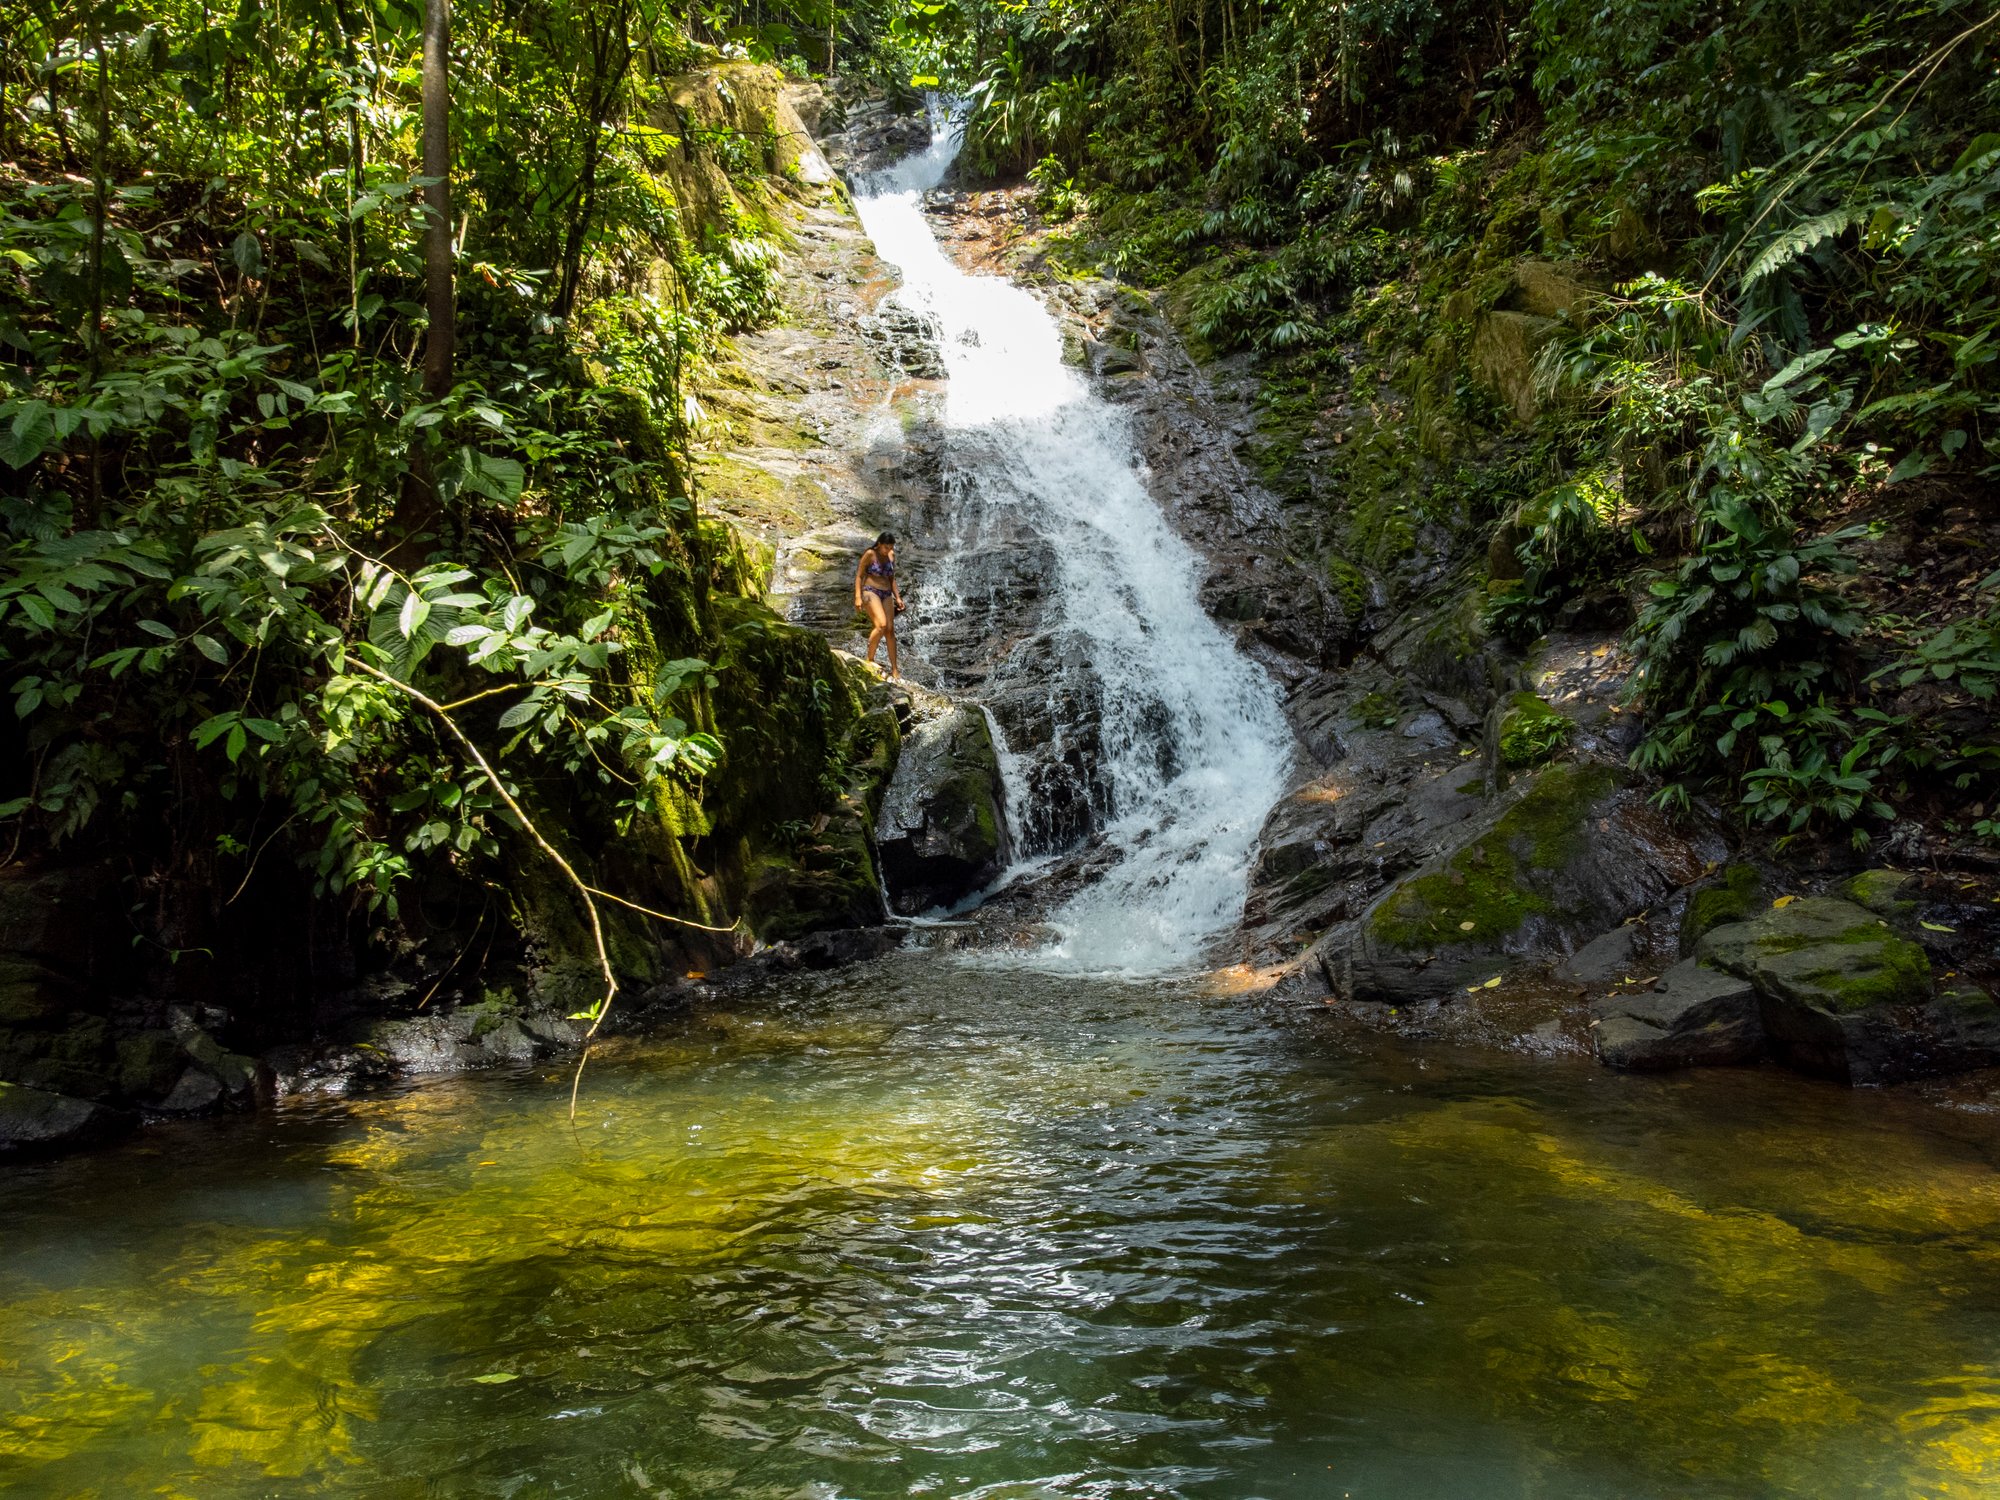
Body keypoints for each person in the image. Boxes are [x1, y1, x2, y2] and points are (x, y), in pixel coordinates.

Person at [852, 531, 906, 677]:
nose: (888, 550)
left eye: (890, 547)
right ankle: (869, 659)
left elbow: (891, 578)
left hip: (886, 593)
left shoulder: (891, 555)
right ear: (879, 544)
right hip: (870, 591)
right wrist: (858, 597)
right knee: (881, 625)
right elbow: (859, 576)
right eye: (886, 547)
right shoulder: (870, 554)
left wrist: (898, 597)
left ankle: (895, 669)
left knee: (889, 629)